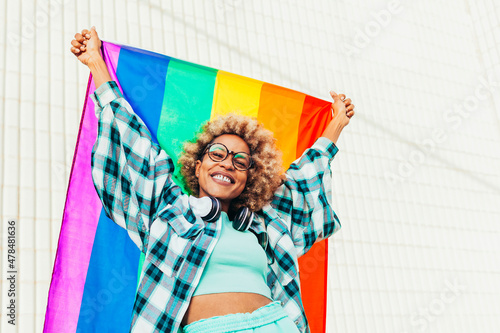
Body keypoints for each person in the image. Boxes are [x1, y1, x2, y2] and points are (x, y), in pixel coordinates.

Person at [70, 27, 355, 333]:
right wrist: (96, 63)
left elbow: (306, 175)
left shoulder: (265, 223)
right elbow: (132, 140)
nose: (227, 164)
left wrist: (337, 123)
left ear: (248, 179)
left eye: (240, 161)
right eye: (217, 153)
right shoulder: (167, 210)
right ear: (198, 164)